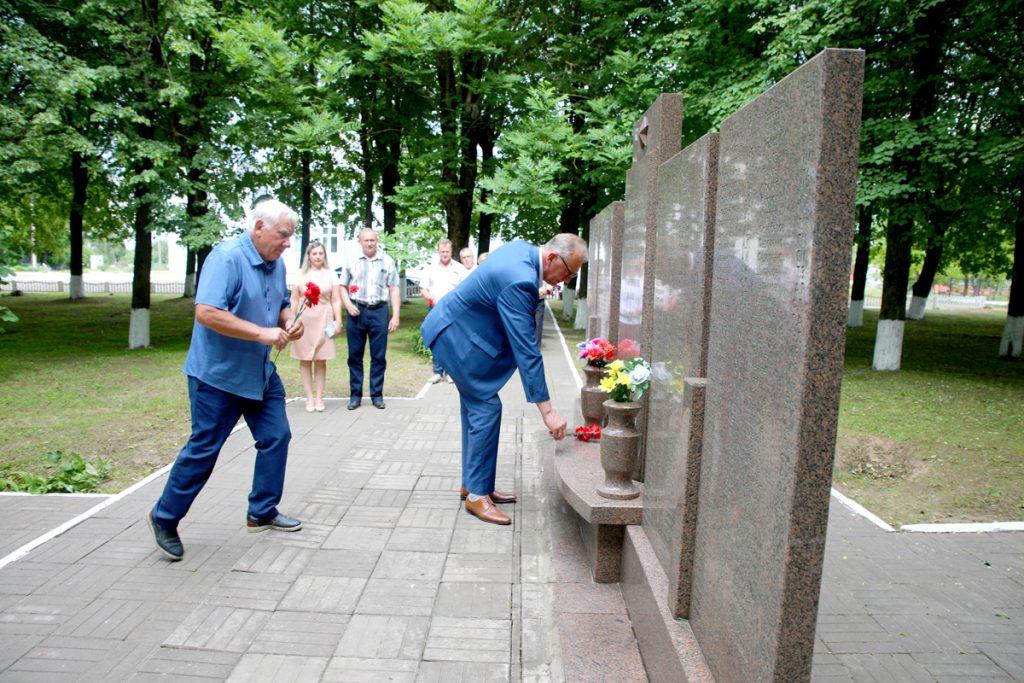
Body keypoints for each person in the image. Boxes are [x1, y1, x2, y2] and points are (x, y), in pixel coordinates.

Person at [148, 199, 305, 561]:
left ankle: (261, 510)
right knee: (205, 449)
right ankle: (164, 515)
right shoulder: (226, 257)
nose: (286, 243)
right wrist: (262, 334)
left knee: (276, 436)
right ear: (259, 228)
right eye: (283, 235)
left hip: (259, 373)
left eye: (290, 237)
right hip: (217, 376)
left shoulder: (276, 263)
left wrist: (287, 322)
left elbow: (281, 303)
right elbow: (206, 312)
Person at [421, 234, 586, 525]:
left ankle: (474, 484)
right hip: (454, 337)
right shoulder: (520, 280)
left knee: (477, 407)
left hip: (455, 330)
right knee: (486, 407)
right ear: (551, 258)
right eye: (569, 273)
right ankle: (476, 495)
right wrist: (548, 412)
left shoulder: (523, 249)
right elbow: (526, 350)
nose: (567, 282)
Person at [337, 228, 400, 410]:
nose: (370, 243)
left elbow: (394, 288)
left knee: (378, 356)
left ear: (376, 240)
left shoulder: (387, 261)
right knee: (354, 356)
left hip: (379, 311)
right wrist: (348, 305)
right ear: (360, 242)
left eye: (372, 240)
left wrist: (395, 315)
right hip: (357, 311)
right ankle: (355, 395)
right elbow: (342, 286)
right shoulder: (351, 261)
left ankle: (377, 395)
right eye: (366, 240)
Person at [290, 241, 342, 412]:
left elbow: (335, 299)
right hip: (304, 321)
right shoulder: (300, 275)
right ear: (309, 256)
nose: (318, 256)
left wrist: (338, 321)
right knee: (305, 359)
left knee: (321, 359)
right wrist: (292, 320)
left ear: (324, 256)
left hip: (325, 318)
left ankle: (319, 397)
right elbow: (294, 299)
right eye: (315, 254)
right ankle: (309, 398)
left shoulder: (331, 274)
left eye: (321, 253)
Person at [420, 238, 468, 383]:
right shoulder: (431, 268)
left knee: (453, 341)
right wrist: (430, 299)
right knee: (436, 340)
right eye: (442, 252)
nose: (445, 254)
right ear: (438, 251)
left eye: (447, 251)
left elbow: (466, 289)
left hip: (454, 311)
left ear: (451, 251)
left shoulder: (460, 268)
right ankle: (437, 372)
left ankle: (451, 373)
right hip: (435, 309)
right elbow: (423, 288)